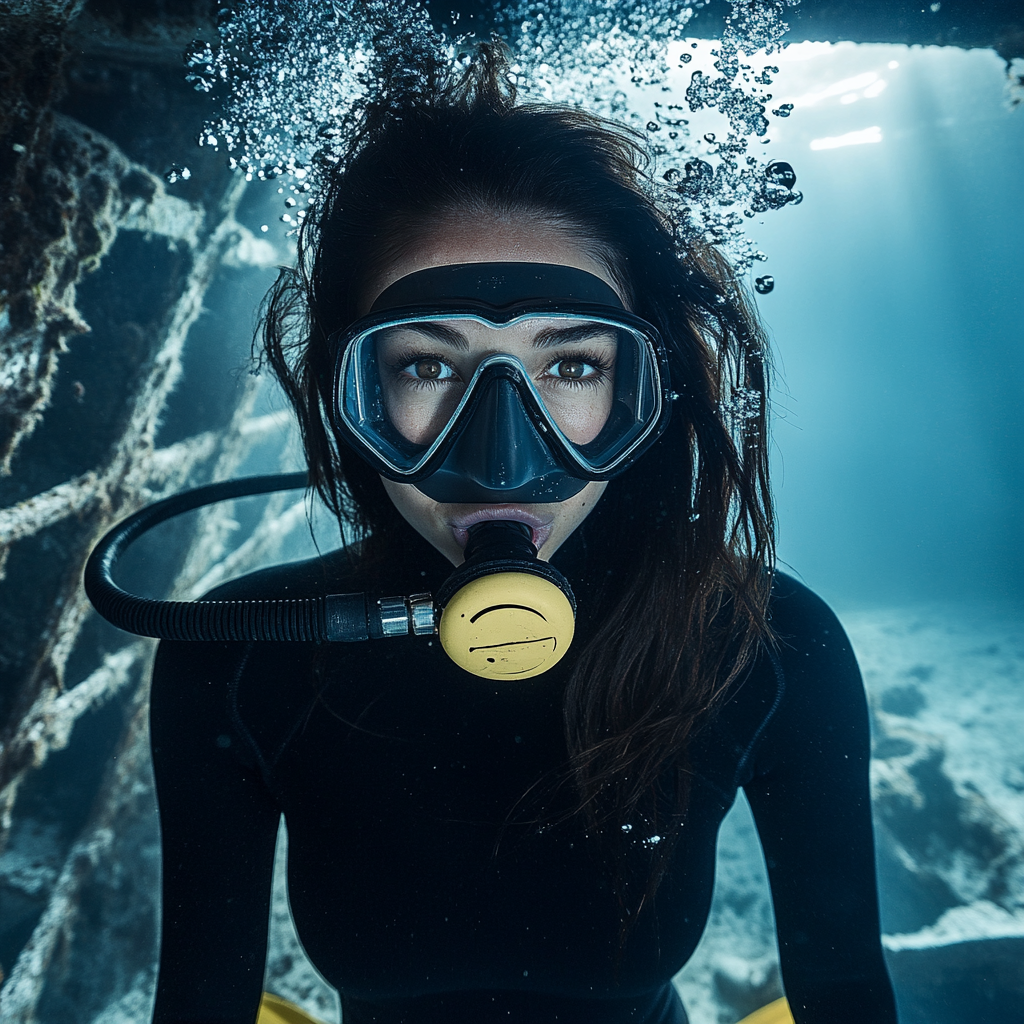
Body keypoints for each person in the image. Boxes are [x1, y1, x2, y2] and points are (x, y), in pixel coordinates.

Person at [148, 44, 898, 1024]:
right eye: (426, 366)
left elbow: (844, 994)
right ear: (350, 389)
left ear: (644, 391)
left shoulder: (768, 644)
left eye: (574, 366)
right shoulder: (239, 650)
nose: (502, 460)